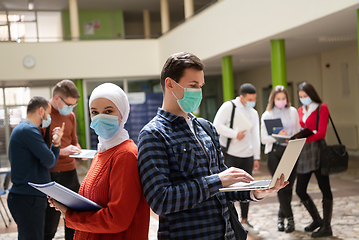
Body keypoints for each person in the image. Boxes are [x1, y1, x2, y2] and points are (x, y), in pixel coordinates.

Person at [137, 52, 288, 240]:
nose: (198, 92)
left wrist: (256, 191)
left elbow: (224, 188)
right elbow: (161, 200)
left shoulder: (205, 128)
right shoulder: (154, 134)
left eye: (200, 86)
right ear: (169, 84)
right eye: (193, 85)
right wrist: (217, 180)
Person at [48, 83, 150, 239]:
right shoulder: (102, 152)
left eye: (108, 111)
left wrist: (70, 215)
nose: (100, 117)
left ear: (122, 113)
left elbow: (117, 219)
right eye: (94, 112)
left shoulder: (126, 155)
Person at [7, 96, 64, 240]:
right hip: (28, 197)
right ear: (41, 111)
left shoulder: (23, 129)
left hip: (26, 197)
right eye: (48, 113)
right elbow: (50, 161)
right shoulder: (29, 130)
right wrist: (56, 143)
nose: (49, 117)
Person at [213, 83, 261, 234]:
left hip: (247, 155)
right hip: (231, 154)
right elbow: (216, 125)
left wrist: (257, 157)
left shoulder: (253, 113)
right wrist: (235, 134)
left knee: (248, 187)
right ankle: (230, 217)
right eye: (250, 99)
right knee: (230, 188)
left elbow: (255, 136)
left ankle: (245, 219)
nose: (252, 102)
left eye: (254, 99)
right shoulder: (229, 107)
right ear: (242, 97)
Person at [43, 79, 82, 240]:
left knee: (74, 220)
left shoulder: (70, 116)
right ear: (57, 98)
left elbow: (74, 141)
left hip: (71, 173)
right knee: (50, 224)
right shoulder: (43, 116)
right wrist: (61, 150)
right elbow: (39, 151)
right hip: (52, 173)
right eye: (69, 104)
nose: (70, 109)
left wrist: (78, 149)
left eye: (73, 105)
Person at [260, 85, 300, 233]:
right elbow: (263, 139)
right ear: (273, 99)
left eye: (283, 98)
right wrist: (278, 135)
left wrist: (292, 138)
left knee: (288, 186)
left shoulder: (293, 111)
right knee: (280, 185)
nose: (281, 101)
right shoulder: (267, 114)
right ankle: (290, 219)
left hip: (290, 151)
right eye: (278, 99)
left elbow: (297, 131)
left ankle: (280, 216)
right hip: (274, 153)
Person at [295, 82, 333, 238]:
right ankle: (317, 220)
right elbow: (304, 130)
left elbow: (321, 133)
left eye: (306, 96)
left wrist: (303, 138)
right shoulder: (299, 110)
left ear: (312, 94)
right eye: (301, 97)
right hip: (304, 152)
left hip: (318, 151)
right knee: (300, 189)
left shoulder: (321, 107)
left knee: (325, 187)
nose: (303, 99)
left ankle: (327, 227)